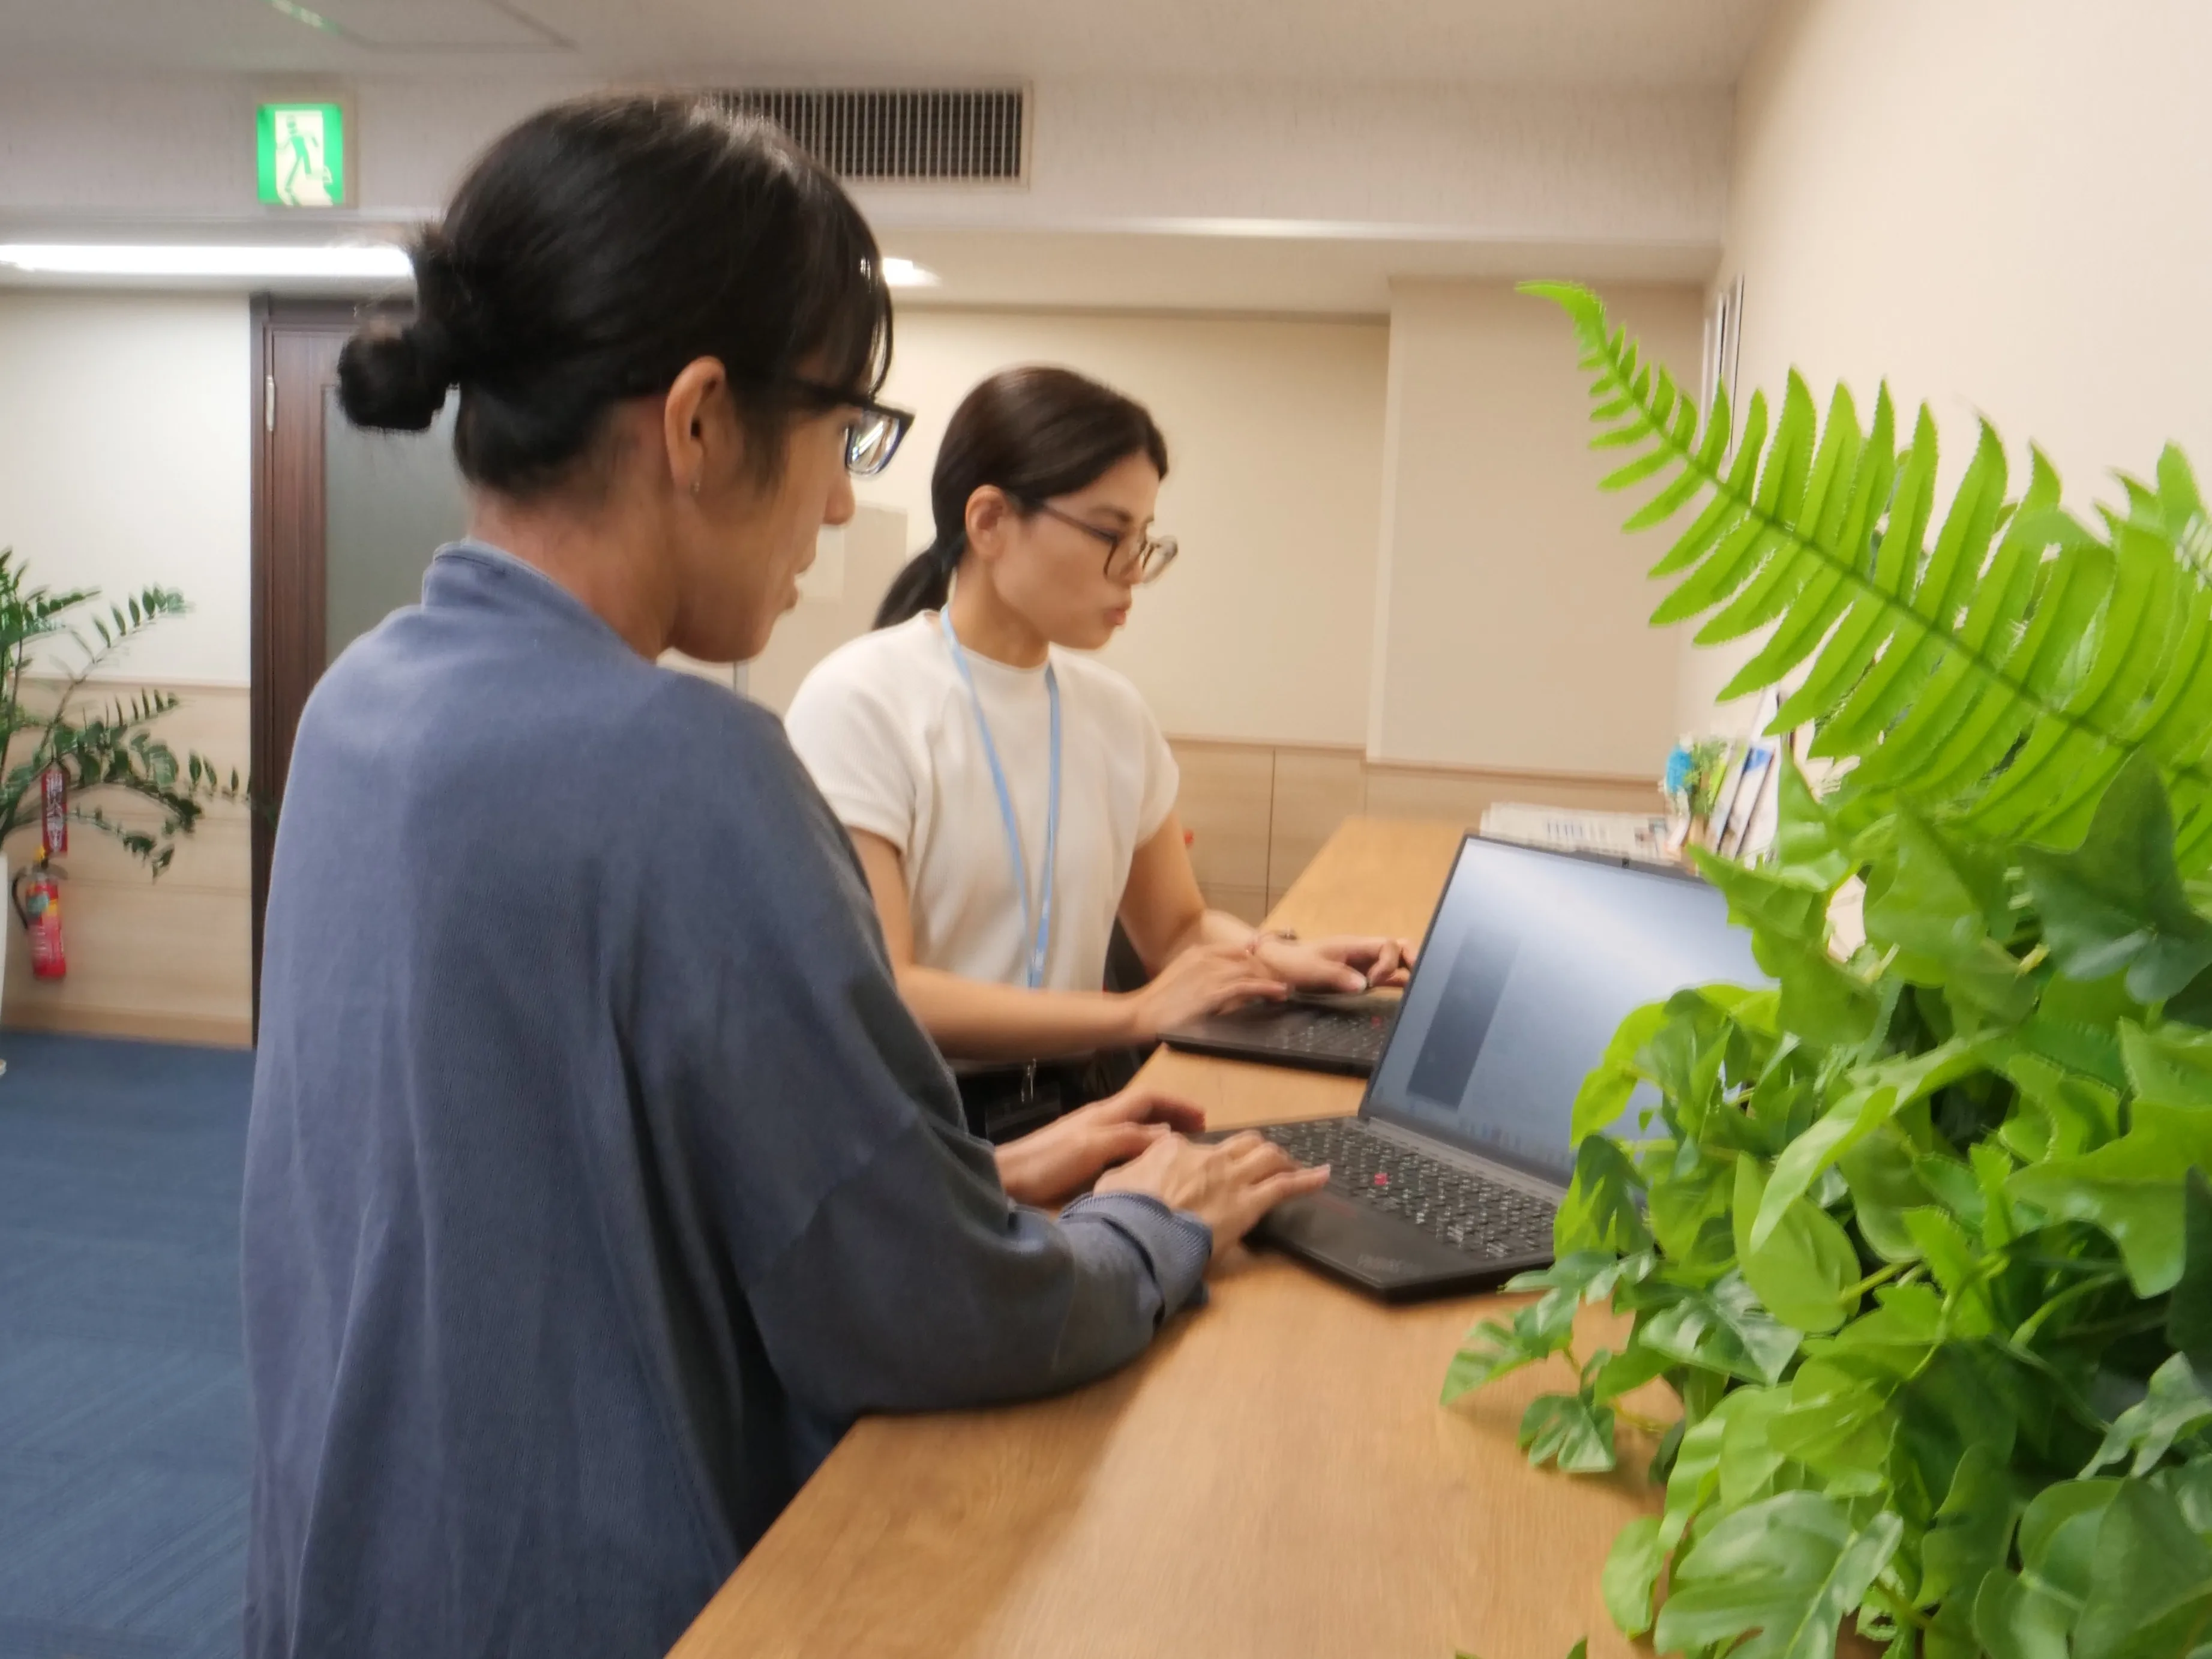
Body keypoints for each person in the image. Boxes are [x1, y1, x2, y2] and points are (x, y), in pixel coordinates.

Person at [240, 94, 1327, 1659]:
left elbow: (555, 1183)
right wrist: (1153, 1225)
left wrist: (985, 1173)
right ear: (695, 423)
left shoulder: (359, 709)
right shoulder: (681, 767)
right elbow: (926, 1314)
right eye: (839, 433)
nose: (836, 501)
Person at [784, 367, 1416, 1139]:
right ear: (988, 521)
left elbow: (1177, 928)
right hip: (919, 1124)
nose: (1133, 573)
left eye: (1145, 540)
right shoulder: (861, 701)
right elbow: (892, 991)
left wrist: (1277, 955)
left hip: (1084, 1102)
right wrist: (1132, 1013)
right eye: (1111, 535)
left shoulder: (1113, 714)